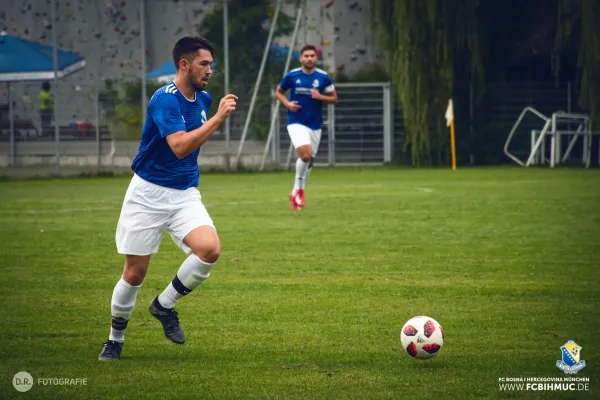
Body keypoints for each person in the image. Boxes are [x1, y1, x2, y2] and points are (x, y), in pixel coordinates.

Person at [98, 36, 237, 361]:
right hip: (147, 195)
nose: (210, 71)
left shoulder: (202, 99)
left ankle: (163, 305)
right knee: (134, 273)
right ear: (184, 64)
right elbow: (179, 147)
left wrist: (213, 116)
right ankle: (114, 340)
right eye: (204, 64)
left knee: (209, 250)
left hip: (185, 193)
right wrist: (218, 119)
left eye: (211, 65)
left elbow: (191, 144)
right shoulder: (165, 99)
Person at [275, 45, 338, 210]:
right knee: (305, 155)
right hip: (296, 121)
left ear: (316, 59)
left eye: (312, 56)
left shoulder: (323, 77)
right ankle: (300, 190)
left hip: (315, 125)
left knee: (309, 161)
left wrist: (320, 96)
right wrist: (287, 104)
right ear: (301, 58)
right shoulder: (292, 75)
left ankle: (294, 192)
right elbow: (279, 92)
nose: (309, 59)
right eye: (306, 56)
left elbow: (334, 99)